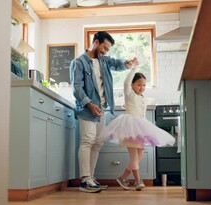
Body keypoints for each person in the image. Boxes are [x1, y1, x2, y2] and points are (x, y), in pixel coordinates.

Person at [70, 31, 135, 193]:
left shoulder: (104, 61)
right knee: (88, 141)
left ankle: (91, 178)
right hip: (86, 109)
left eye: (108, 49)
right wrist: (89, 104)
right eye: (104, 47)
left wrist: (126, 64)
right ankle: (84, 180)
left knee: (98, 143)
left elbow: (117, 63)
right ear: (96, 42)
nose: (105, 51)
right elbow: (77, 88)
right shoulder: (79, 62)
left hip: (101, 109)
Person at [99, 58, 175, 191]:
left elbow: (142, 115)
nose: (142, 87)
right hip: (129, 127)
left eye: (144, 85)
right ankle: (138, 180)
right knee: (134, 155)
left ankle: (123, 177)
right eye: (139, 84)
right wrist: (133, 68)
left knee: (140, 155)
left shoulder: (142, 98)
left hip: (140, 127)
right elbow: (126, 82)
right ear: (133, 85)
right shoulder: (129, 94)